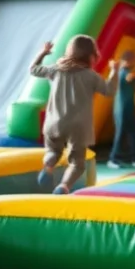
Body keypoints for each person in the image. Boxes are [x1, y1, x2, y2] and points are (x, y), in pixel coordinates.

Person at [31, 36, 112, 194]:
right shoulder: (90, 76)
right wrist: (115, 72)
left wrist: (43, 53)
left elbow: (33, 69)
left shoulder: (55, 70)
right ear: (90, 56)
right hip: (78, 127)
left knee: (53, 152)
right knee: (77, 163)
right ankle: (64, 186)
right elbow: (109, 90)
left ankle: (48, 167)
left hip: (53, 123)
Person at [107, 50, 135, 169]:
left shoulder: (127, 72)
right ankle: (113, 159)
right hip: (121, 108)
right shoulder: (123, 72)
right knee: (120, 133)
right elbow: (131, 78)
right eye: (133, 60)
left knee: (134, 132)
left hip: (128, 108)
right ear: (128, 61)